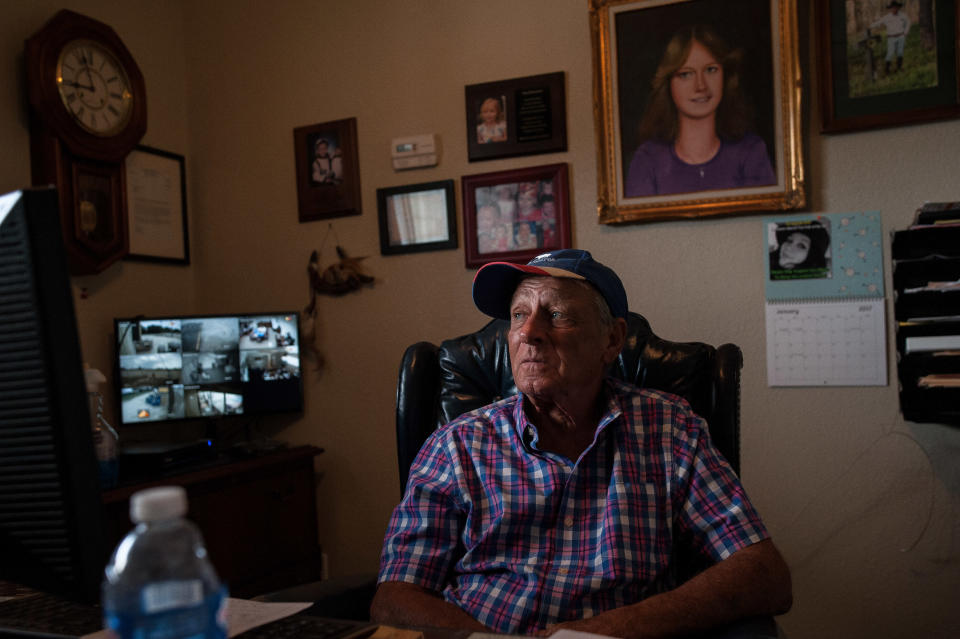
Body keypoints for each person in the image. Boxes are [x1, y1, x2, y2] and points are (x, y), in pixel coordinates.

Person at [372, 249, 792, 636]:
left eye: (556, 315)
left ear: (612, 340)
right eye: (518, 315)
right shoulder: (457, 445)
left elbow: (763, 574)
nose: (529, 333)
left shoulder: (670, 429)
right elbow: (394, 599)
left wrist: (601, 633)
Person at [625, 25, 776, 197]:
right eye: (686, 74)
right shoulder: (648, 160)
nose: (701, 85)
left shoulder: (751, 152)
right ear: (668, 83)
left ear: (725, 76)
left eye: (711, 70)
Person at [870, 1, 910, 75]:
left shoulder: (903, 16)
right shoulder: (887, 17)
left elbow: (908, 22)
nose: (894, 9)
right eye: (892, 8)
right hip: (891, 38)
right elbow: (878, 22)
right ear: (890, 9)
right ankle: (887, 70)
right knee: (890, 53)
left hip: (901, 36)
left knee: (900, 53)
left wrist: (906, 32)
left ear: (898, 8)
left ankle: (899, 68)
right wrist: (870, 26)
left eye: (895, 7)